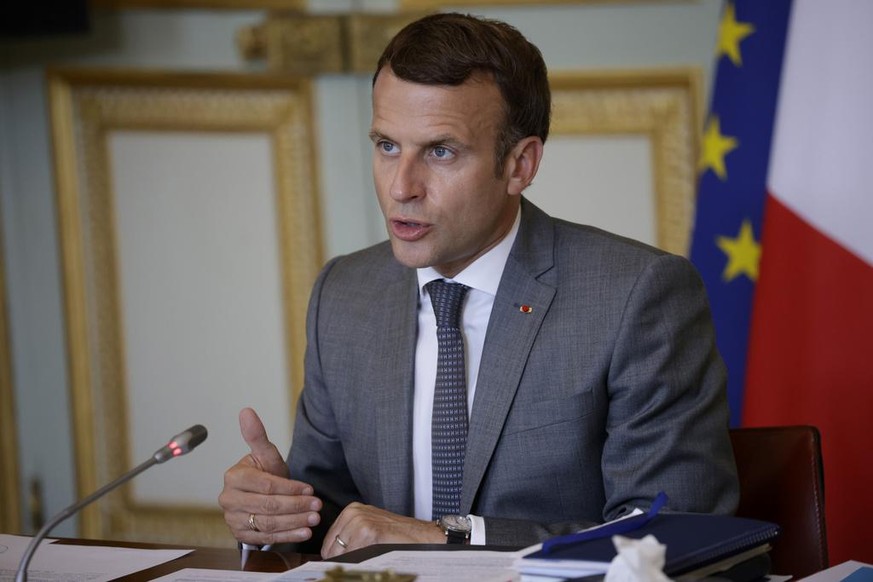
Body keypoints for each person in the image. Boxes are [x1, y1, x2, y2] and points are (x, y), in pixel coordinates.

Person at [218, 12, 738, 559]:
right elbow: (333, 522)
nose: (401, 187)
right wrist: (278, 511)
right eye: (387, 145)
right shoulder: (345, 293)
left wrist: (453, 537)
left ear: (519, 164)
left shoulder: (638, 297)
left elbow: (673, 533)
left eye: (440, 151)